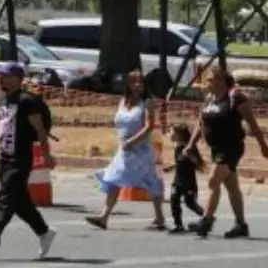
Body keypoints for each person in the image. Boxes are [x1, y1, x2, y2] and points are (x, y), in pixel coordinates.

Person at [0, 63, 55, 262]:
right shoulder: (3, 100)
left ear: (18, 78)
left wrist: (47, 155)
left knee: (6, 200)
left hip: (20, 159)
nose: (1, 79)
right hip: (5, 158)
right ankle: (44, 232)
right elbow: (2, 126)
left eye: (5, 76)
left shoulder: (27, 101)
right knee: (20, 202)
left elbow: (41, 131)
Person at [187, 67, 268, 239]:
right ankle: (241, 225)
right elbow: (201, 122)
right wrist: (191, 144)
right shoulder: (210, 99)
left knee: (213, 181)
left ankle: (206, 220)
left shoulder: (236, 99)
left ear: (221, 81)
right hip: (216, 148)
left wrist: (263, 145)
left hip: (231, 147)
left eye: (210, 79)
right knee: (232, 187)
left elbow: (253, 124)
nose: (207, 83)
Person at [85, 69, 166, 231]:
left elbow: (149, 127)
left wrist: (132, 141)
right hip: (124, 149)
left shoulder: (147, 103)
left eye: (141, 83)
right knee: (114, 178)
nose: (138, 86)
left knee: (149, 180)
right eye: (134, 82)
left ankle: (159, 216)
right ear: (128, 84)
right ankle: (104, 216)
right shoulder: (123, 101)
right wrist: (125, 141)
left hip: (140, 150)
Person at [164, 123, 204, 233]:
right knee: (174, 200)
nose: (169, 134)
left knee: (189, 202)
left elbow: (198, 163)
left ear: (179, 134)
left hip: (189, 181)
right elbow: (180, 161)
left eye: (171, 132)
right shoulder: (177, 147)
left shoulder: (189, 147)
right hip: (177, 180)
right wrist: (171, 167)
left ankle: (204, 216)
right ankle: (178, 224)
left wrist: (190, 155)